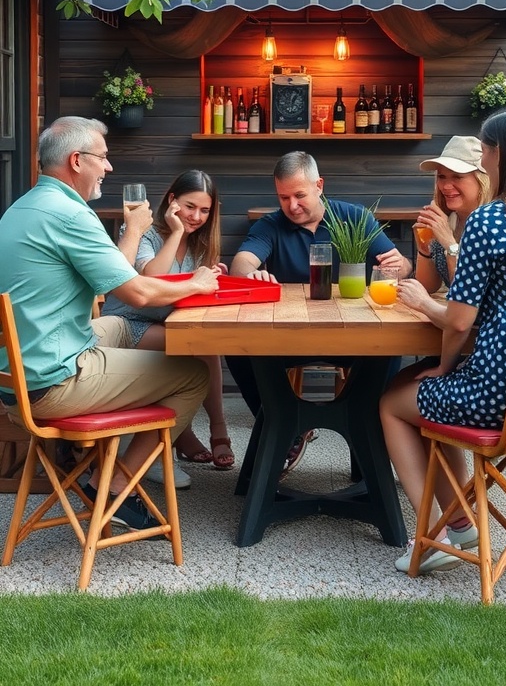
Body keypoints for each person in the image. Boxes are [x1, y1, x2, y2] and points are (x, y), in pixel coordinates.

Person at [0, 116, 222, 531]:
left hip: (18, 375)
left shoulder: (20, 208)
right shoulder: (71, 215)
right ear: (76, 160)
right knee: (193, 374)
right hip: (55, 382)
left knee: (120, 329)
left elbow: (115, 281)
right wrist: (195, 283)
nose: (109, 167)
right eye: (103, 158)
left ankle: (92, 458)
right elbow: (135, 293)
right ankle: (116, 484)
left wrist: (134, 232)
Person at [380, 109, 506, 577]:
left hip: (501, 400)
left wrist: (443, 367)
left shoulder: (491, 220)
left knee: (392, 400)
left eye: (485, 153)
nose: (485, 162)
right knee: (433, 395)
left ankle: (437, 534)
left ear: (500, 154)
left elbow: (459, 322)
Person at [228, 150, 411, 471]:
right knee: (237, 349)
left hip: (355, 338)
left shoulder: (355, 217)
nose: (292, 205)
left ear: (319, 186)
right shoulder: (271, 224)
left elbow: (402, 264)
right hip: (290, 340)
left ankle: (370, 437)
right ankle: (283, 422)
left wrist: (399, 266)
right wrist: (249, 273)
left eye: (299, 195)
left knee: (389, 346)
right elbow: (241, 263)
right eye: (283, 197)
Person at [103, 170, 234, 477]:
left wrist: (212, 276)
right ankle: (206, 433)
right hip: (126, 322)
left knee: (203, 344)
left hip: (168, 322)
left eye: (205, 210)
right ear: (172, 201)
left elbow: (186, 292)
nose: (197, 216)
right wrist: (175, 233)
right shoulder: (143, 231)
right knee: (197, 347)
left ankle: (197, 432)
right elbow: (151, 280)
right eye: (190, 207)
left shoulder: (200, 243)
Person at [397, 136, 491, 328]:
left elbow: (470, 298)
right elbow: (429, 286)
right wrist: (425, 249)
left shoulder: (491, 225)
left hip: (484, 334)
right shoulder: (447, 219)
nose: (446, 186)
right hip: (453, 329)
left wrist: (450, 244)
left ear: (482, 179)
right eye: (442, 177)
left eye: (457, 176)